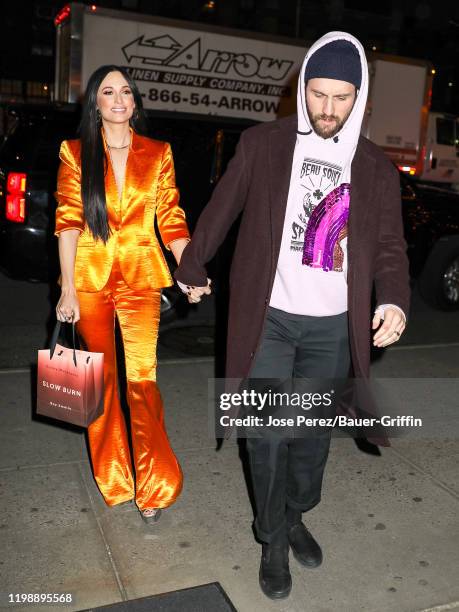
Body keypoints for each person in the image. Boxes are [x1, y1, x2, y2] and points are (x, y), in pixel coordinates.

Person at [175, 32, 410, 598]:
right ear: (303, 89)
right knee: (267, 436)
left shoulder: (375, 169)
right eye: (317, 94)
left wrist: (395, 298)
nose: (326, 109)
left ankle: (298, 512)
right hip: (271, 320)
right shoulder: (264, 145)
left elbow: (388, 246)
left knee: (311, 440)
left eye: (340, 97)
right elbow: (221, 209)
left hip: (333, 329)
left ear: (360, 98)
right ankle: (272, 537)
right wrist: (192, 263)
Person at [55, 65, 190, 523]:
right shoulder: (75, 153)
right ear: (95, 101)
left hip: (140, 277)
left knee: (142, 380)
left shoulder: (158, 152)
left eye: (126, 91)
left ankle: (154, 488)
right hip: (90, 278)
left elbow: (171, 217)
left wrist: (189, 264)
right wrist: (67, 288)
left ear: (135, 103)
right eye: (108, 91)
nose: (118, 98)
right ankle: (115, 478)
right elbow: (69, 223)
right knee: (102, 383)